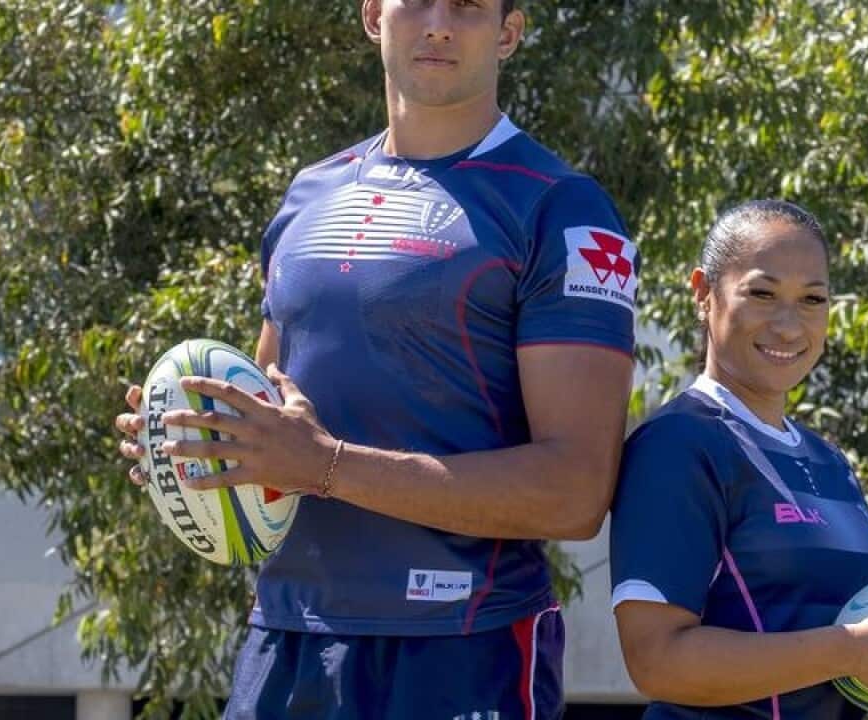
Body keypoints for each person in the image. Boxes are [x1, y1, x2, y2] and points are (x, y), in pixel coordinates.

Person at [115, 1, 638, 717]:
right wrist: (203, 442)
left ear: (510, 32)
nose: (438, 24)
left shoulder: (563, 210)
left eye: (469, 7)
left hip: (461, 644)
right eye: (416, 0)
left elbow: (576, 494)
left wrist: (325, 465)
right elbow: (275, 417)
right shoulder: (310, 193)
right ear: (372, 15)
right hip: (288, 638)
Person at [609, 200, 868, 720]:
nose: (788, 326)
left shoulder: (828, 461)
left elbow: (848, 647)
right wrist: (855, 648)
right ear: (703, 294)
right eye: (762, 293)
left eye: (812, 299)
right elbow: (656, 662)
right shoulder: (679, 445)